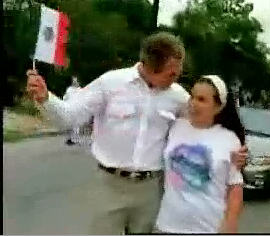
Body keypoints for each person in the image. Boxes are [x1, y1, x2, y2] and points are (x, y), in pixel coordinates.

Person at [26, 32, 247, 234]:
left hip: (150, 192)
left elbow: (201, 130)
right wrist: (46, 99)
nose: (177, 77)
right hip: (108, 186)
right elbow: (70, 117)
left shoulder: (178, 97)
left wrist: (234, 154)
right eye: (172, 73)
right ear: (151, 66)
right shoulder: (111, 83)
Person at [156, 75, 244, 234]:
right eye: (192, 96)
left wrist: (231, 222)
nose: (193, 103)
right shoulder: (175, 126)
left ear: (219, 107)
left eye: (202, 99)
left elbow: (235, 187)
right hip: (168, 225)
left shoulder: (229, 139)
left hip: (208, 227)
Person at [63, 76, 81, 145]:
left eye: (76, 80)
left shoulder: (80, 90)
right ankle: (70, 138)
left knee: (76, 125)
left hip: (77, 108)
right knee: (69, 124)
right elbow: (65, 97)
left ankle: (75, 139)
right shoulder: (69, 89)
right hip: (69, 108)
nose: (75, 82)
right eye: (74, 80)